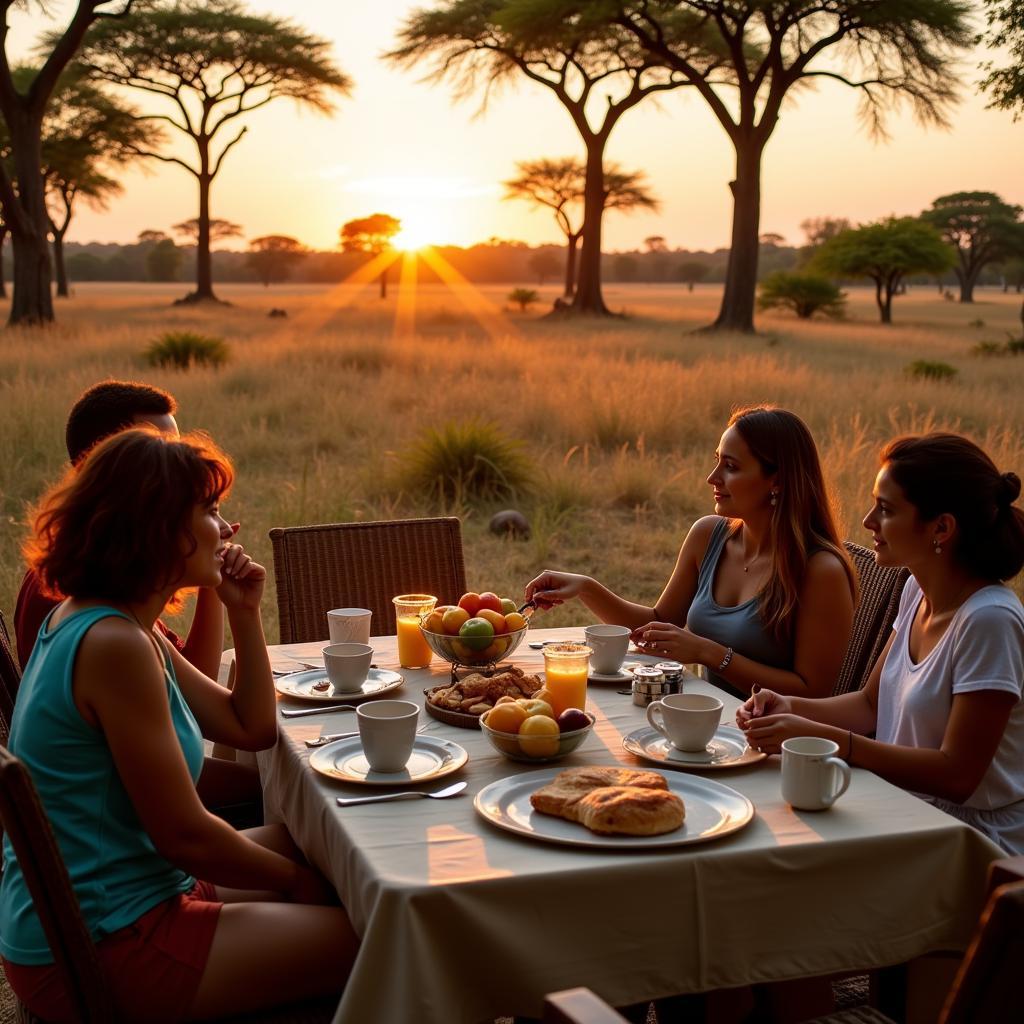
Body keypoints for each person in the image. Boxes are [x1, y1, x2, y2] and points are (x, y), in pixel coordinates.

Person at [0, 428, 357, 1021]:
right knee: (372, 940)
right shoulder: (114, 644)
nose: (224, 528)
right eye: (211, 512)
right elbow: (185, 836)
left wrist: (246, 614)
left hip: (130, 895)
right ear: (159, 525)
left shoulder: (115, 621)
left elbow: (251, 729)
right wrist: (295, 884)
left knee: (329, 850)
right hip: (105, 939)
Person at [738, 433, 1024, 855]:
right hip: (901, 808)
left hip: (968, 841)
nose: (868, 520)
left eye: (886, 510)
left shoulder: (989, 621)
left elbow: (958, 776)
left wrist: (831, 742)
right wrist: (789, 706)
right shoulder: (916, 591)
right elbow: (871, 705)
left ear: (941, 528)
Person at [525, 406, 856, 698]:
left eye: (731, 466)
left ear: (778, 481)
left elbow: (813, 693)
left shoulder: (819, 570)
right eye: (717, 462)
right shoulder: (709, 535)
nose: (712, 478)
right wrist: (586, 588)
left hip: (771, 742)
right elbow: (659, 623)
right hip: (708, 723)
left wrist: (711, 654)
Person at [15, 379, 223, 677]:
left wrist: (213, 573)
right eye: (159, 448)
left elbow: (194, 677)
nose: (179, 464)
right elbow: (199, 702)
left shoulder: (100, 558)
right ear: (106, 460)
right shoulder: (76, 590)